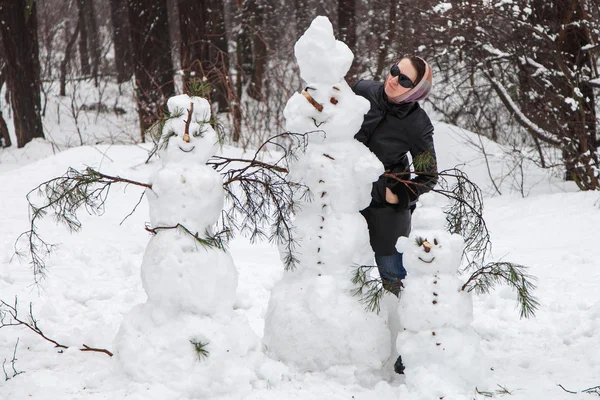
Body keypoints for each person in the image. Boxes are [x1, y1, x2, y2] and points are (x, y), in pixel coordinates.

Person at [352, 55, 438, 296]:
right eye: (394, 70)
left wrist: (396, 195)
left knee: (393, 279)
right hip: (346, 197)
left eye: (404, 80)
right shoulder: (362, 90)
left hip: (385, 208)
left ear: (416, 91)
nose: (393, 80)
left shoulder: (417, 125)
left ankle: (401, 326)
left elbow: (428, 176)